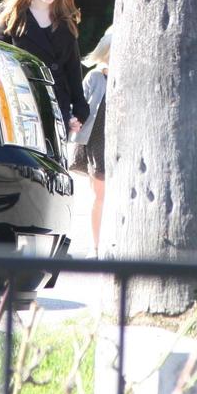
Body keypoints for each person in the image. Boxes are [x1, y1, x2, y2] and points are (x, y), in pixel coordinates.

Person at [0, 0, 90, 143]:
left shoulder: (66, 19)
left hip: (56, 107)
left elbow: (73, 68)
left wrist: (79, 111)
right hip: (18, 106)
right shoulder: (10, 15)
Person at [75, 29, 110, 254]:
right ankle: (97, 248)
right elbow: (80, 108)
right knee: (100, 195)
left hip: (125, 142)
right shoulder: (95, 77)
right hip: (97, 141)